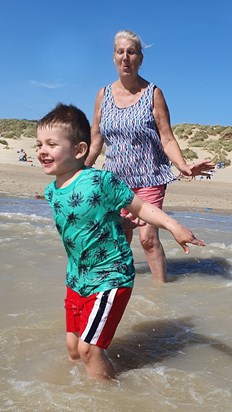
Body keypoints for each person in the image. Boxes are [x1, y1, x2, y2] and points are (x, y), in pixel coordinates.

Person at [36, 103, 206, 380]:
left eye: (51, 144)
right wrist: (117, 222)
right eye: (39, 144)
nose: (42, 150)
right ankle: (74, 391)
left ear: (79, 150)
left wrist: (173, 225)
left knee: (89, 350)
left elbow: (140, 207)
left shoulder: (101, 180)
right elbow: (85, 219)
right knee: (73, 349)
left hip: (110, 276)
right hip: (77, 278)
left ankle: (108, 398)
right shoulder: (51, 191)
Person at [85, 29, 214, 283]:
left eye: (131, 52)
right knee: (121, 236)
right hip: (115, 180)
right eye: (120, 52)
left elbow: (166, 137)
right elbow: (96, 139)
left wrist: (183, 166)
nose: (125, 58)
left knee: (147, 239)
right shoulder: (103, 95)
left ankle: (161, 291)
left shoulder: (153, 93)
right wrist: (78, 171)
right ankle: (121, 287)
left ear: (140, 59)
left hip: (149, 176)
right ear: (113, 57)